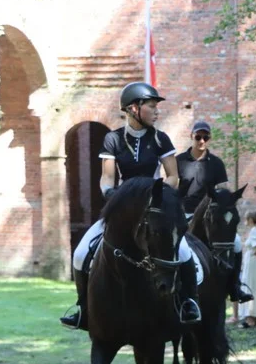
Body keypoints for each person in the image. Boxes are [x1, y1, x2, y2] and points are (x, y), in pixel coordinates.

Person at [60, 81, 201, 330]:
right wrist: (108, 192)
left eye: (157, 106)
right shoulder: (113, 139)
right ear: (134, 109)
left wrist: (156, 194)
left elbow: (172, 176)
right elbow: (107, 176)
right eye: (151, 106)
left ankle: (188, 303)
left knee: (184, 251)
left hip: (154, 205)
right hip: (124, 207)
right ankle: (83, 308)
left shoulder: (160, 139)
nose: (157, 111)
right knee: (82, 252)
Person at [176, 120, 252, 305]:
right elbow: (173, 188)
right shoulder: (179, 161)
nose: (202, 140)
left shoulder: (216, 163)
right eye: (198, 137)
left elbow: (222, 190)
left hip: (210, 216)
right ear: (191, 136)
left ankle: (235, 287)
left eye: (206, 137)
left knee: (236, 243)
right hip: (184, 214)